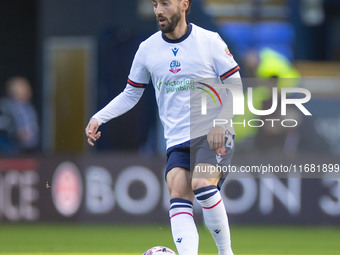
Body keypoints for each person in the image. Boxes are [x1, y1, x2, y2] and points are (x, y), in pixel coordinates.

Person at [85, 1, 241, 254]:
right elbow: (130, 94)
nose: (158, 10)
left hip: (213, 132)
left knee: (202, 182)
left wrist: (222, 122)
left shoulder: (209, 41)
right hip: (176, 139)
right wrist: (99, 117)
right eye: (155, 4)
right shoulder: (147, 49)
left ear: (184, 5)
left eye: (165, 3)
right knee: (179, 195)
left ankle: (226, 253)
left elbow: (234, 83)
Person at [0, 76, 39, 154]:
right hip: (9, 148)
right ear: (13, 90)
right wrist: (15, 133)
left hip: (28, 148)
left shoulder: (29, 107)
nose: (27, 89)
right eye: (23, 87)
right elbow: (3, 125)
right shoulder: (5, 106)